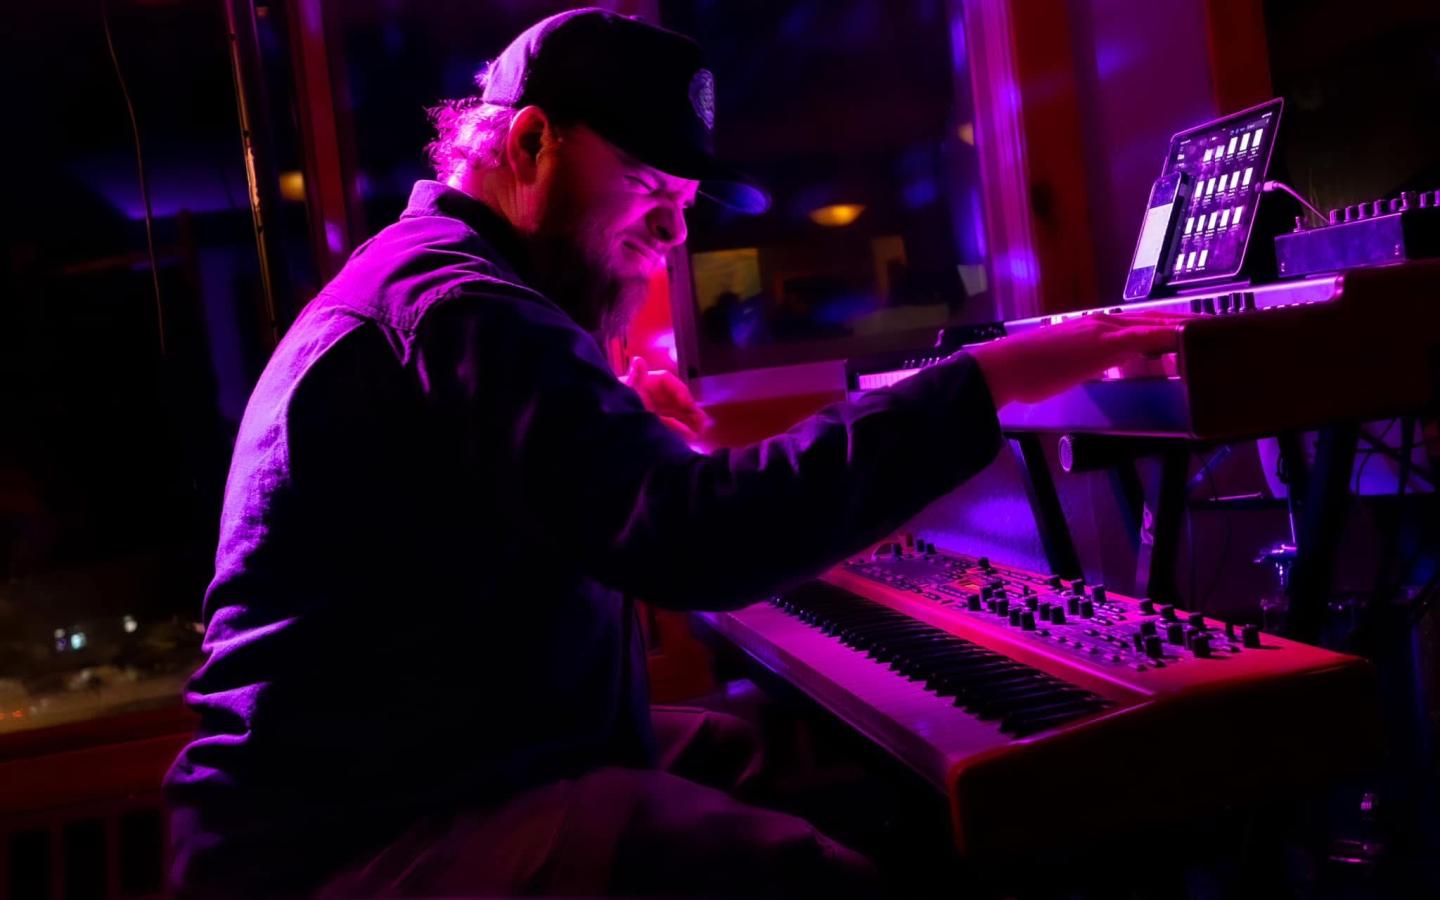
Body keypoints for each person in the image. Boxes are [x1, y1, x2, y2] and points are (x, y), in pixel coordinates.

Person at [163, 8, 1185, 897]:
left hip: (436, 765)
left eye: (688, 202)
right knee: (808, 877)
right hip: (351, 843)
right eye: (649, 181)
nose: (673, 228)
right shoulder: (461, 304)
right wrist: (993, 379)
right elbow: (689, 538)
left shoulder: (454, 287)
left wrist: (636, 444)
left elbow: (585, 517)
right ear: (528, 144)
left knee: (750, 754)